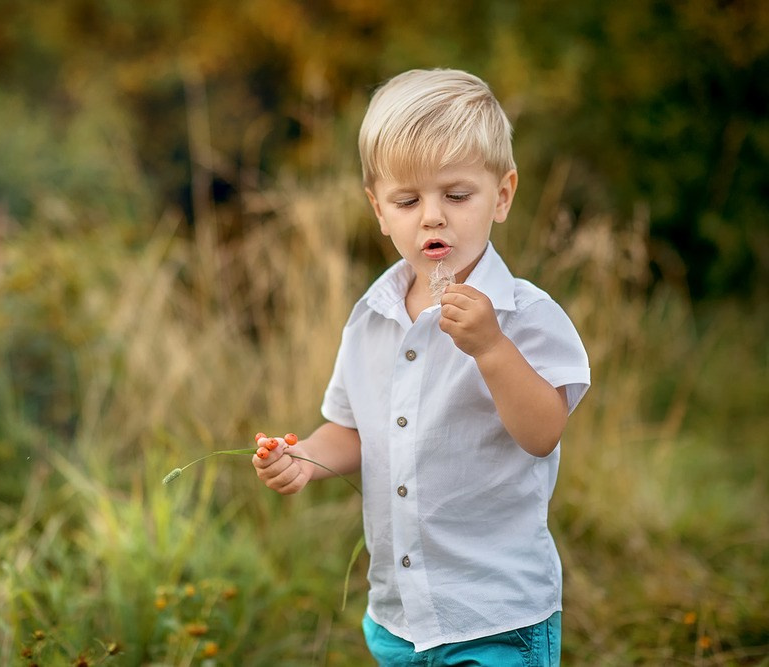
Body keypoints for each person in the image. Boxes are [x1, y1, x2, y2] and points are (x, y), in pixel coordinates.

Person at [251, 68, 591, 666]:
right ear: (379, 210)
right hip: (399, 616)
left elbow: (542, 434)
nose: (432, 216)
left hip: (496, 614)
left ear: (502, 195)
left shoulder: (525, 317)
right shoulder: (370, 317)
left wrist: (490, 348)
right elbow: (355, 430)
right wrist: (303, 457)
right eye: (407, 200)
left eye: (456, 196)